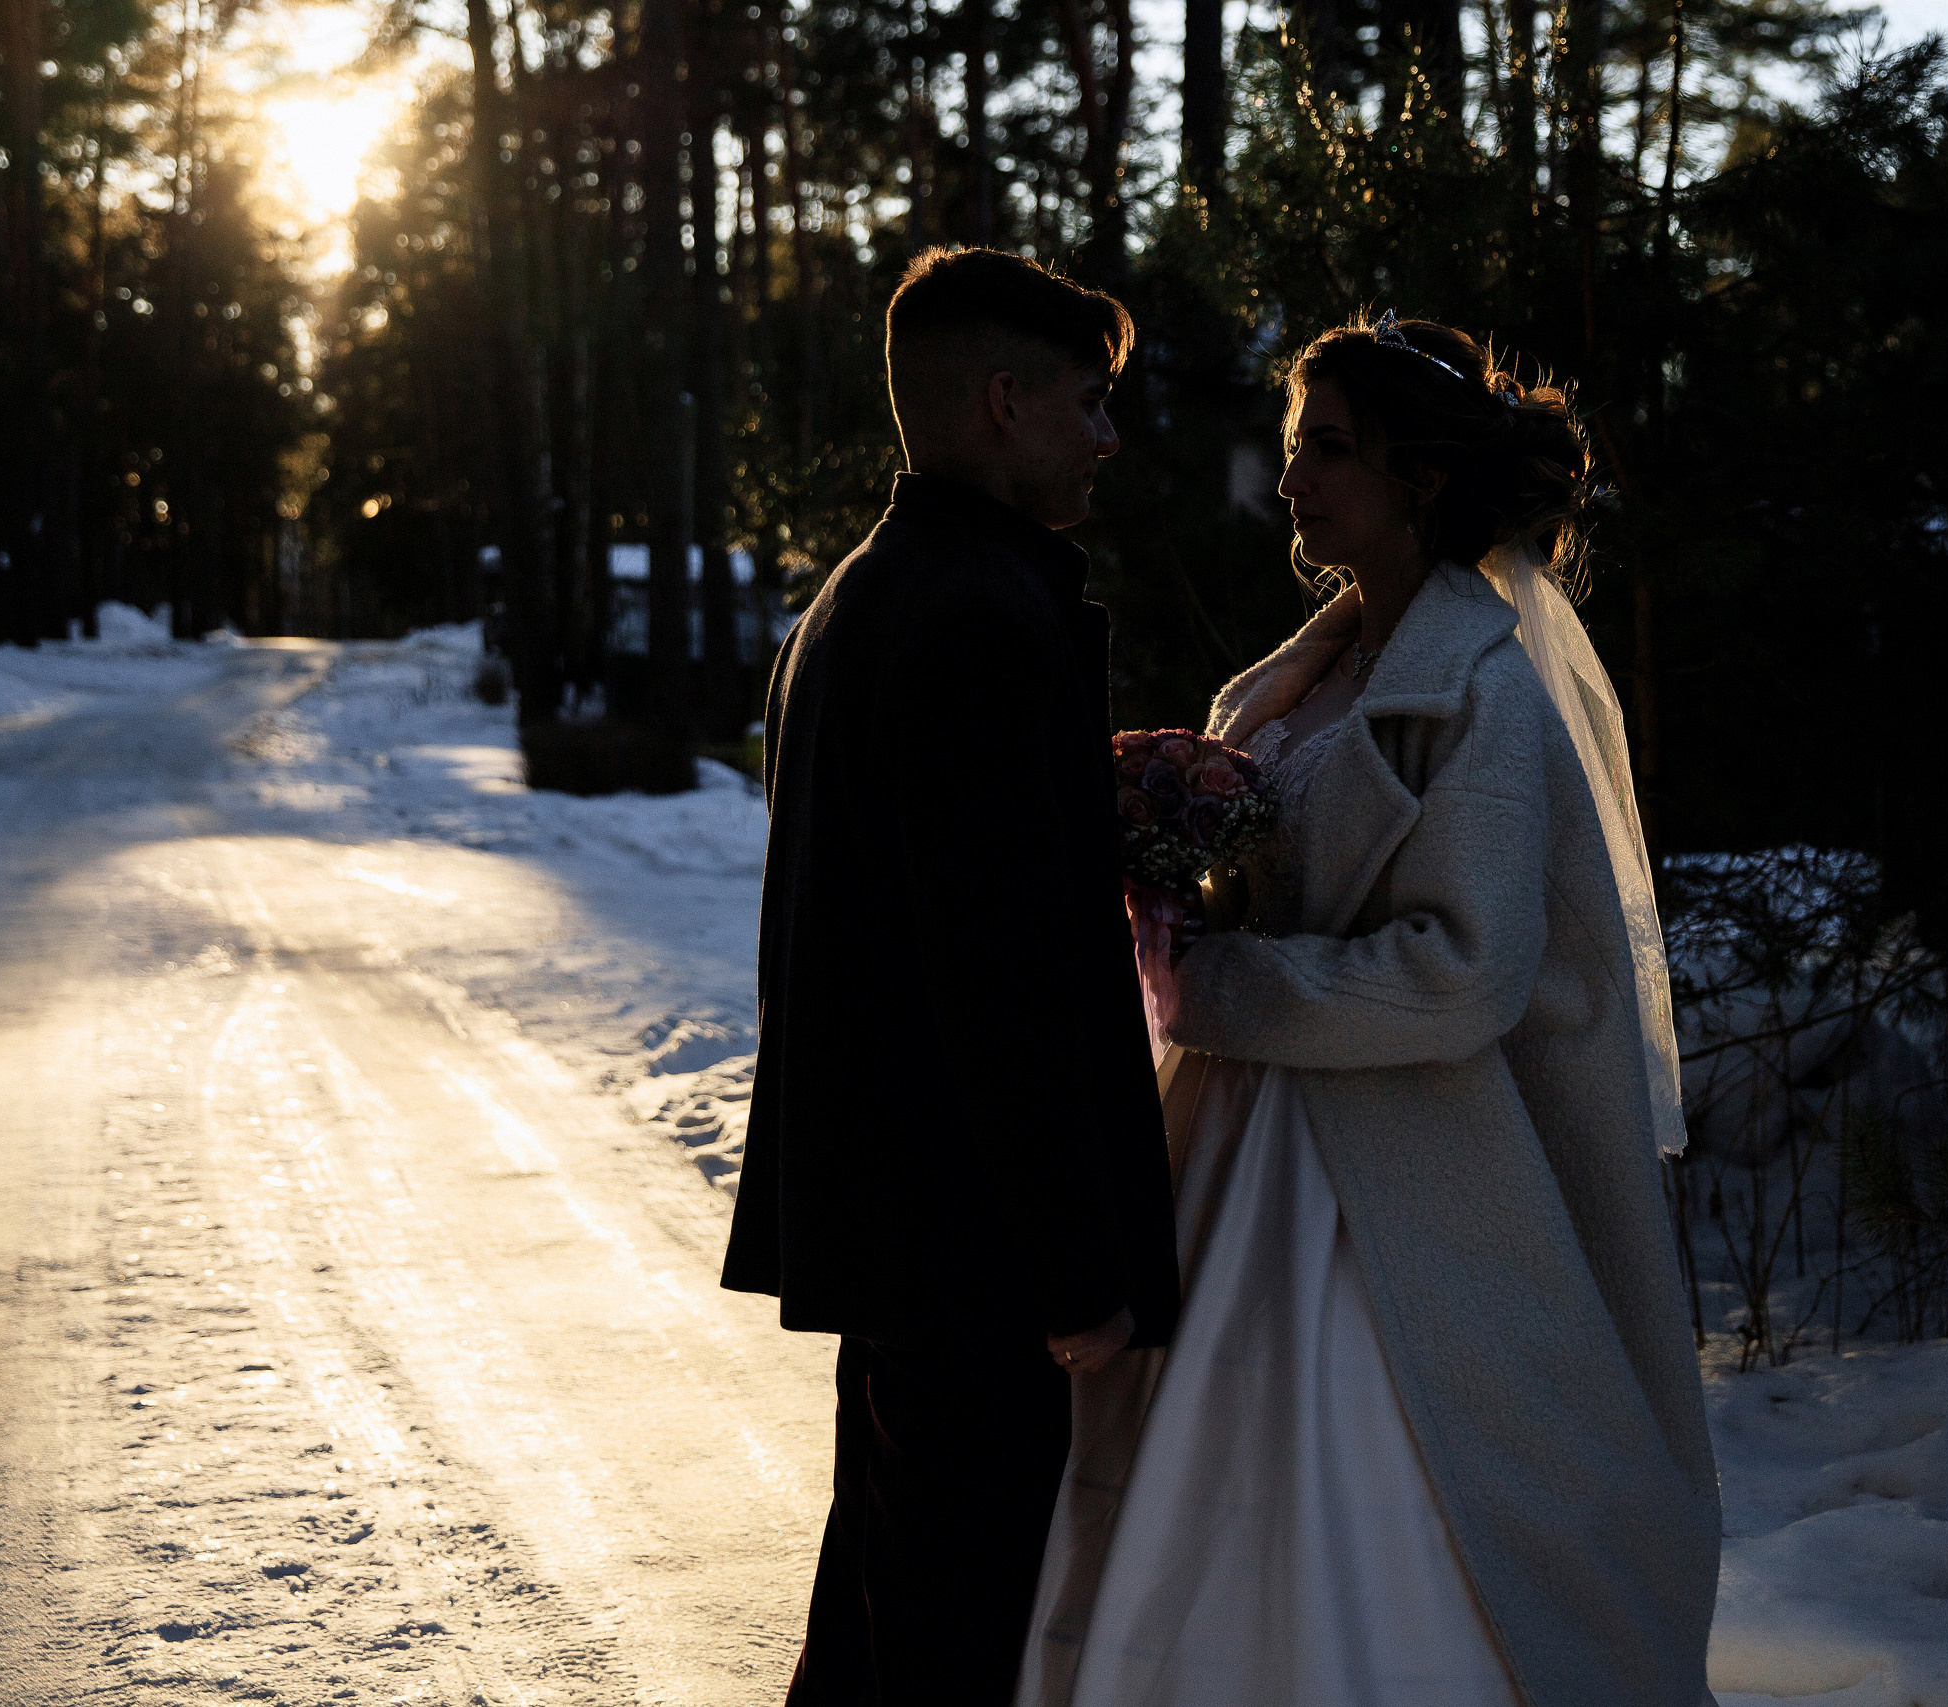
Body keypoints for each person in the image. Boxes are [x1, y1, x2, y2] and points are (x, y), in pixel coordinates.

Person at [1018, 314, 1722, 1707]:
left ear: (1419, 477)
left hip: (1396, 1189)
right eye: (1295, 450)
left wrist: (1215, 983)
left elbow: (1464, 975)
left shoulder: (1482, 695)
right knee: (1186, 1472)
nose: (1294, 483)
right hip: (1235, 1141)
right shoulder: (1301, 670)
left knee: (1363, 1489)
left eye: (1329, 451)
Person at [724, 246, 1183, 1706]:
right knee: (948, 1639)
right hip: (970, 1237)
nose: (1108, 439)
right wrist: (1076, 1264)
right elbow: (1004, 981)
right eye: (1090, 404)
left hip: (901, 1222)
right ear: (1004, 403)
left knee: (881, 1615)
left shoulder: (867, 591)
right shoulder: (982, 615)